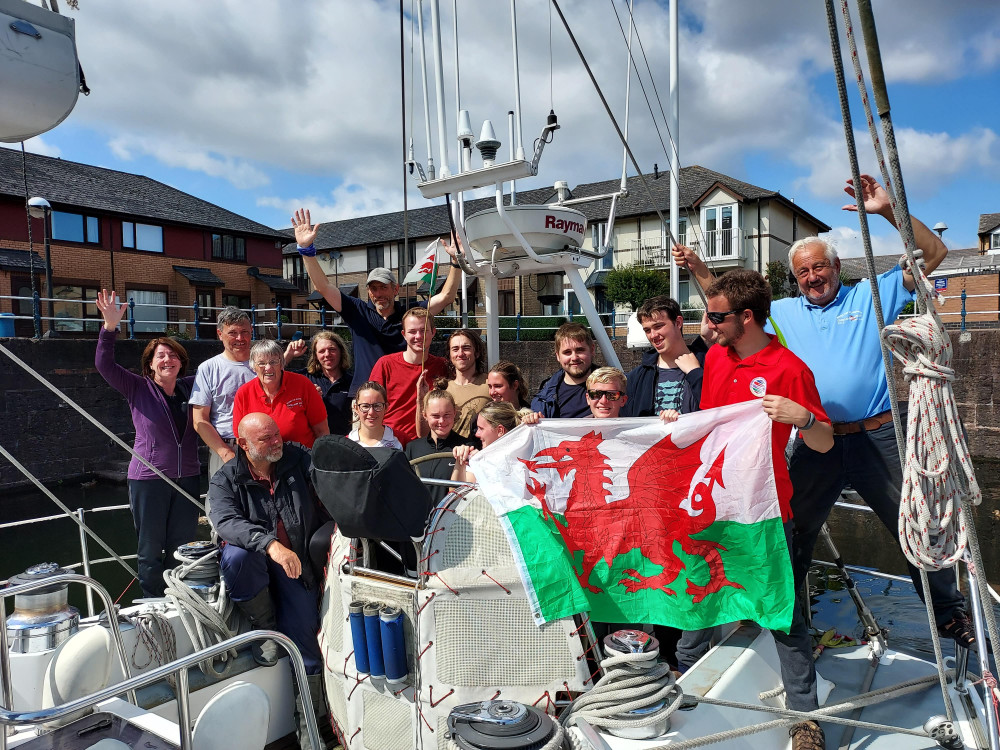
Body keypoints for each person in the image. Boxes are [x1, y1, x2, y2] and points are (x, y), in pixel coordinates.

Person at [673, 174, 972, 648]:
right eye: (802, 273)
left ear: (836, 266)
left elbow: (933, 256)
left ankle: (948, 613)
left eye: (819, 267)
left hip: (876, 437)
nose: (812, 277)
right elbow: (730, 303)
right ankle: (781, 614)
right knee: (792, 528)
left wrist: (888, 210)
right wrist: (698, 266)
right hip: (817, 438)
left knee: (914, 526)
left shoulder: (871, 295)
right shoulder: (784, 313)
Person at [691, 269, 834, 748]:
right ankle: (682, 679)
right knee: (698, 588)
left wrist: (805, 417)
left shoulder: (790, 369)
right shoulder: (714, 358)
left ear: (745, 318)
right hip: (714, 504)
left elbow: (824, 443)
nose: (708, 324)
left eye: (716, 316)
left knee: (783, 611)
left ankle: (804, 718)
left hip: (767, 509)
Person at [207, 412, 325, 749]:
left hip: (297, 562)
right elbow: (226, 521)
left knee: (308, 648)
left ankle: (310, 735)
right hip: (261, 562)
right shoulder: (226, 478)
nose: (277, 443)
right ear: (243, 444)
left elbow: (326, 477)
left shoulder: (297, 458)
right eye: (266, 439)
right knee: (237, 556)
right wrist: (270, 545)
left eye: (277, 435)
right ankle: (267, 626)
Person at [94, 290, 201, 599]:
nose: (167, 359)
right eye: (160, 356)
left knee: (182, 547)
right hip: (149, 479)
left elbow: (228, 374)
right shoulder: (138, 388)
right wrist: (109, 328)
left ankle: (178, 598)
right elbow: (105, 365)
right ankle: (152, 601)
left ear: (181, 362)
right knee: (150, 548)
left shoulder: (193, 386)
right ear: (151, 365)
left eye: (173, 355)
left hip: (188, 478)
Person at [291, 208, 463, 395]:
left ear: (395, 289)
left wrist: (456, 260)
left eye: (383, 287)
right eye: (373, 288)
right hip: (365, 398)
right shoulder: (356, 311)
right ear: (368, 291)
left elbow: (446, 297)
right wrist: (306, 251)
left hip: (400, 396)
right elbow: (323, 287)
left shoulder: (410, 315)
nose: (378, 293)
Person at [190, 307, 256, 478]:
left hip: (262, 447)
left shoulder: (264, 365)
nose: (240, 338)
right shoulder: (208, 369)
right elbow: (199, 420)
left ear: (252, 331)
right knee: (223, 503)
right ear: (220, 333)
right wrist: (225, 452)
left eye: (244, 332)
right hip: (226, 449)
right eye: (232, 333)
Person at [369, 307, 448, 447]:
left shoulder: (442, 366)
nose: (418, 336)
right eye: (412, 331)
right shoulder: (385, 364)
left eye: (423, 330)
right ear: (404, 334)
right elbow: (372, 405)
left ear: (433, 332)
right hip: (391, 443)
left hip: (429, 444)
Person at [232, 340, 329, 449]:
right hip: (264, 462)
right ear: (253, 367)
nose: (268, 368)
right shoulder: (244, 393)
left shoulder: (303, 385)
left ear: (281, 363)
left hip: (302, 459)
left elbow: (322, 432)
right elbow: (241, 438)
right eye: (261, 363)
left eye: (273, 362)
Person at [623, 296, 705, 418]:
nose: (653, 335)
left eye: (658, 326)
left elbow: (719, 409)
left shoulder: (706, 365)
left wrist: (695, 374)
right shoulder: (637, 377)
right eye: (647, 330)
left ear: (678, 323)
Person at [405, 389, 475, 504]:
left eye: (446, 415)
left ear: (454, 413)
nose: (441, 421)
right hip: (417, 519)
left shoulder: (467, 447)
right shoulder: (412, 448)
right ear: (425, 415)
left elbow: (466, 493)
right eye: (435, 416)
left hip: (451, 518)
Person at [451, 401, 540, 483]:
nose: (477, 434)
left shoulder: (529, 457)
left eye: (481, 429)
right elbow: (456, 492)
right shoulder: (478, 459)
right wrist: (460, 462)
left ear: (500, 430)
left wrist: (540, 425)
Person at [284, 331, 354, 436]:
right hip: (312, 445)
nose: (327, 354)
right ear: (316, 356)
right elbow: (275, 376)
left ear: (341, 351)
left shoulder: (353, 381)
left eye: (332, 349)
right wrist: (288, 355)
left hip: (343, 444)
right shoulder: (305, 378)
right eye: (322, 351)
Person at [530, 322, 597, 418]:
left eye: (580, 350)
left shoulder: (616, 387)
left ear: (592, 350)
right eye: (567, 352)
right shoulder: (544, 398)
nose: (574, 358)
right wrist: (531, 420)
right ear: (558, 356)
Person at [441, 329, 490, 439]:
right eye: (455, 349)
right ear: (449, 355)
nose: (460, 353)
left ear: (477, 352)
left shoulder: (490, 384)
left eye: (466, 348)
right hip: (450, 453)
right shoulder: (442, 390)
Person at [348, 381, 403, 449]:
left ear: (386, 407)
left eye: (377, 406)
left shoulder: (402, 440)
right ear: (356, 408)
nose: (371, 412)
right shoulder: (346, 444)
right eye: (365, 406)